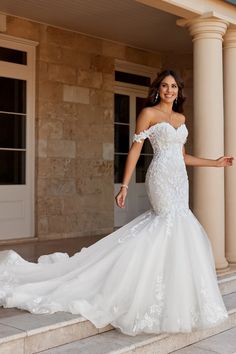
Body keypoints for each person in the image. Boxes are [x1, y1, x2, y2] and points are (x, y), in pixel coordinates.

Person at [0, 69, 233, 336]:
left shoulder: (181, 118)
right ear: (158, 89)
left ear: (179, 91)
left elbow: (183, 156)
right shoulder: (148, 113)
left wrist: (214, 163)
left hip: (180, 179)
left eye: (174, 87)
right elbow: (135, 149)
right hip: (159, 178)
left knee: (179, 227)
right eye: (165, 86)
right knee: (166, 222)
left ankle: (170, 291)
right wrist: (124, 185)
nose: (170, 90)